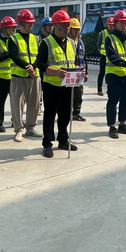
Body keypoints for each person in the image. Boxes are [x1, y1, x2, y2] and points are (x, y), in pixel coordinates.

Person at [36, 10, 86, 158]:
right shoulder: (46, 43)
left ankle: (63, 140)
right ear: (56, 26)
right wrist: (55, 72)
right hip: (51, 85)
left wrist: (80, 71)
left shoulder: (71, 43)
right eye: (64, 25)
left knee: (65, 114)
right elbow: (40, 64)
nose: (67, 28)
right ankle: (47, 143)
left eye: (68, 25)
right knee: (50, 115)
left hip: (67, 85)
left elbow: (74, 62)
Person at [8, 8, 43, 142]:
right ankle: (18, 130)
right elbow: (14, 56)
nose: (31, 25)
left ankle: (30, 128)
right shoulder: (13, 39)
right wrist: (28, 67)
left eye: (32, 22)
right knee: (17, 105)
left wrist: (33, 67)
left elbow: (39, 56)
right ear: (21, 23)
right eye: (28, 22)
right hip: (19, 77)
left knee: (34, 104)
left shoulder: (36, 38)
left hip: (35, 76)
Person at [105, 10, 126, 139]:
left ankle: (122, 124)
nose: (124, 25)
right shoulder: (110, 38)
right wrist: (125, 63)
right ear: (115, 23)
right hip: (114, 75)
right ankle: (112, 126)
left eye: (125, 22)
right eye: (122, 22)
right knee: (113, 101)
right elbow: (112, 56)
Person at [0, 16, 17, 133]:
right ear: (4, 29)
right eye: (11, 28)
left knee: (16, 101)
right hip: (1, 77)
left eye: (15, 27)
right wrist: (8, 54)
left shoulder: (16, 40)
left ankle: (16, 121)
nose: (14, 30)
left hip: (14, 75)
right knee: (1, 101)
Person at [69, 17, 87, 121]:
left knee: (79, 94)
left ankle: (76, 113)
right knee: (69, 95)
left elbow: (84, 58)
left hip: (80, 73)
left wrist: (85, 72)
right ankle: (67, 113)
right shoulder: (67, 42)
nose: (77, 32)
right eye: (75, 29)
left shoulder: (80, 43)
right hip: (70, 73)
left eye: (78, 30)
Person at [96, 17, 114, 96]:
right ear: (107, 25)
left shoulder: (115, 34)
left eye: (112, 25)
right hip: (104, 56)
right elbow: (98, 45)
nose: (111, 26)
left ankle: (109, 89)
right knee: (102, 72)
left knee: (110, 73)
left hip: (111, 57)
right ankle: (99, 89)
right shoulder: (102, 33)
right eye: (110, 25)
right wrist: (102, 52)